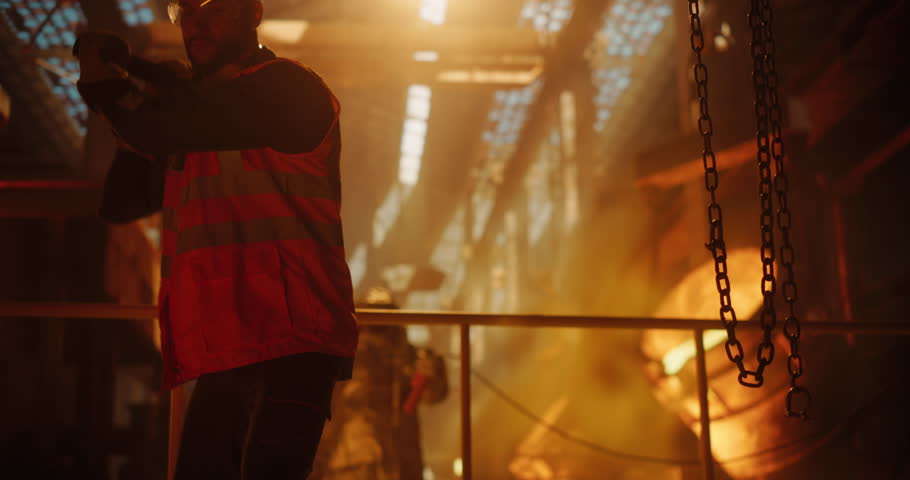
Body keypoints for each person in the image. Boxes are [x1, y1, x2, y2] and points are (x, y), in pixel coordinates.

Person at [74, 0, 358, 477]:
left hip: (292, 335)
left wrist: (109, 88)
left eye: (214, 8)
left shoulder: (288, 89)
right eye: (184, 11)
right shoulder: (194, 115)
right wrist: (157, 100)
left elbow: (169, 128)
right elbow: (120, 203)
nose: (196, 23)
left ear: (254, 13)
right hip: (227, 343)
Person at [311, 287, 449, 480]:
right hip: (345, 459)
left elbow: (434, 394)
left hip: (393, 461)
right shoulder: (338, 359)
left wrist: (432, 371)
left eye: (380, 327)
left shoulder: (406, 360)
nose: (371, 334)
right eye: (367, 324)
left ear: (394, 326)